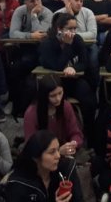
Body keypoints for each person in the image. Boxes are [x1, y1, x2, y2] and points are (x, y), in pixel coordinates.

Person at [39, 13, 96, 143]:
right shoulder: (48, 43)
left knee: (89, 98)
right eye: (70, 29)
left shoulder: (77, 40)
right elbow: (57, 65)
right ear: (60, 29)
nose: (73, 32)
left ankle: (89, 134)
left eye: (75, 29)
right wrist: (68, 45)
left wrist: (74, 68)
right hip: (55, 82)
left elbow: (84, 62)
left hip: (73, 79)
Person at [6, 130, 82, 202]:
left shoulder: (66, 169)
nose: (58, 156)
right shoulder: (19, 184)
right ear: (35, 157)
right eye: (52, 152)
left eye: (58, 150)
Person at [23, 75, 84, 155]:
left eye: (60, 93)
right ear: (44, 96)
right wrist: (57, 152)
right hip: (42, 157)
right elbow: (31, 146)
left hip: (64, 150)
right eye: (53, 96)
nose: (58, 98)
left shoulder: (66, 106)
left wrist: (73, 143)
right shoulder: (31, 113)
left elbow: (76, 133)